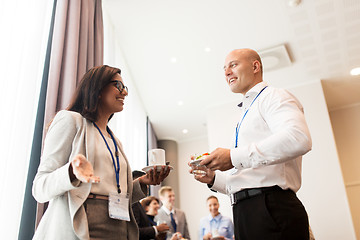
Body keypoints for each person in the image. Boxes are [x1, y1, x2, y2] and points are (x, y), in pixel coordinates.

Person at [32, 65, 170, 240]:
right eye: (118, 86)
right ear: (97, 89)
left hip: (118, 228)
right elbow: (39, 187)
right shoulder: (71, 120)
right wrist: (71, 171)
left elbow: (115, 193)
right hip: (83, 227)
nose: (125, 93)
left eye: (125, 88)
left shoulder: (115, 141)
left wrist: (142, 182)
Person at [190, 49, 312, 240]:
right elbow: (245, 181)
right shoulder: (244, 115)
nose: (226, 72)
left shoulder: (274, 96)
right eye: (224, 69)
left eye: (233, 65)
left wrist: (232, 157)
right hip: (244, 212)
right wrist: (213, 178)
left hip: (271, 209)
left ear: (255, 66)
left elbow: (298, 138)